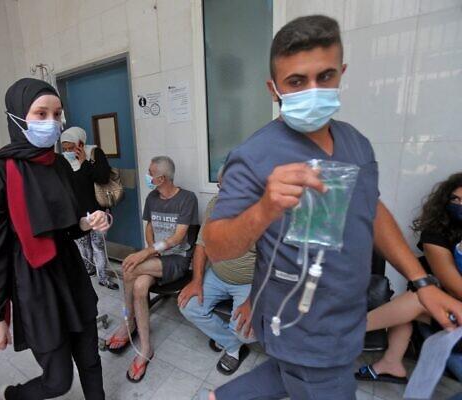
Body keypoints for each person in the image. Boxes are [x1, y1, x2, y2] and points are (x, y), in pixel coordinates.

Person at [200, 15, 462, 400]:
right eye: (296, 82)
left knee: (293, 374)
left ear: (341, 73)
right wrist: (265, 207)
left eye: (324, 77)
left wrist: (421, 282)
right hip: (298, 322)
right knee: (317, 378)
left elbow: (370, 209)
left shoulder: (356, 144)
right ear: (274, 89)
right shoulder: (254, 156)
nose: (313, 90)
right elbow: (218, 245)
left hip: (346, 312)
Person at [0, 78, 110, 400]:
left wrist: (89, 222)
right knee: (58, 381)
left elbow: (69, 226)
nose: (52, 123)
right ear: (18, 116)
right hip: (33, 282)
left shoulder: (58, 163)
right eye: (40, 114)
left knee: (90, 360)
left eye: (57, 114)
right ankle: (16, 395)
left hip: (70, 273)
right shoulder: (0, 171)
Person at [356, 173, 462, 383]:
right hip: (453, 307)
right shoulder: (435, 236)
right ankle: (390, 363)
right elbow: (454, 286)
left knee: (417, 300)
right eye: (455, 200)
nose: (460, 205)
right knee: (418, 298)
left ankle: (335, 332)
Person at [106, 156, 198, 382]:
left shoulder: (187, 199)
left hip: (177, 260)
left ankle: (128, 322)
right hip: (156, 258)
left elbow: (178, 237)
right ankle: (145, 348)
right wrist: (150, 248)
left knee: (129, 268)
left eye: (150, 173)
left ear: (162, 178)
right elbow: (149, 226)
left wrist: (146, 253)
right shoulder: (152, 198)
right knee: (138, 285)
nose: (147, 176)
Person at [178, 166, 257, 376]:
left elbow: (273, 265)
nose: (221, 194)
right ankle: (232, 346)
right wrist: (196, 281)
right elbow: (201, 245)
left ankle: (233, 339)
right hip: (218, 275)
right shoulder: (215, 205)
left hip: (250, 282)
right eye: (220, 187)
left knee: (248, 332)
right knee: (189, 305)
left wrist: (252, 301)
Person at [61, 126, 118, 289]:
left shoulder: (94, 153)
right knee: (83, 247)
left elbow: (102, 177)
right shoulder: (63, 161)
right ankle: (89, 270)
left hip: (98, 210)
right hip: (77, 214)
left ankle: (103, 277)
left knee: (98, 246)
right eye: (64, 148)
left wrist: (84, 162)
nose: (67, 151)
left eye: (70, 147)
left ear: (80, 143)